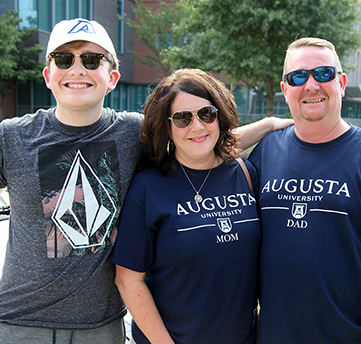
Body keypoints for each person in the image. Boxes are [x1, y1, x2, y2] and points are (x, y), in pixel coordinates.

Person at [0, 19, 290, 342]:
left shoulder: (131, 133)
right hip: (16, 324)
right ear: (48, 75)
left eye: (92, 60)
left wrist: (269, 124)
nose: (77, 68)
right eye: (64, 59)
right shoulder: (9, 138)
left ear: (112, 77)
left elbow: (199, 142)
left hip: (100, 328)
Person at [248, 37, 361, 344]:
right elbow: (203, 148)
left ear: (342, 82)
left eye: (323, 74)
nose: (311, 86)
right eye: (298, 77)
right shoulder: (266, 151)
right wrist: (267, 124)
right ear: (285, 90)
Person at [111, 69, 260, 344]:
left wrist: (273, 123)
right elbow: (129, 281)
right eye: (182, 118)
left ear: (220, 115)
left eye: (206, 114)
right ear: (167, 127)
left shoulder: (246, 174)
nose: (198, 127)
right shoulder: (148, 187)